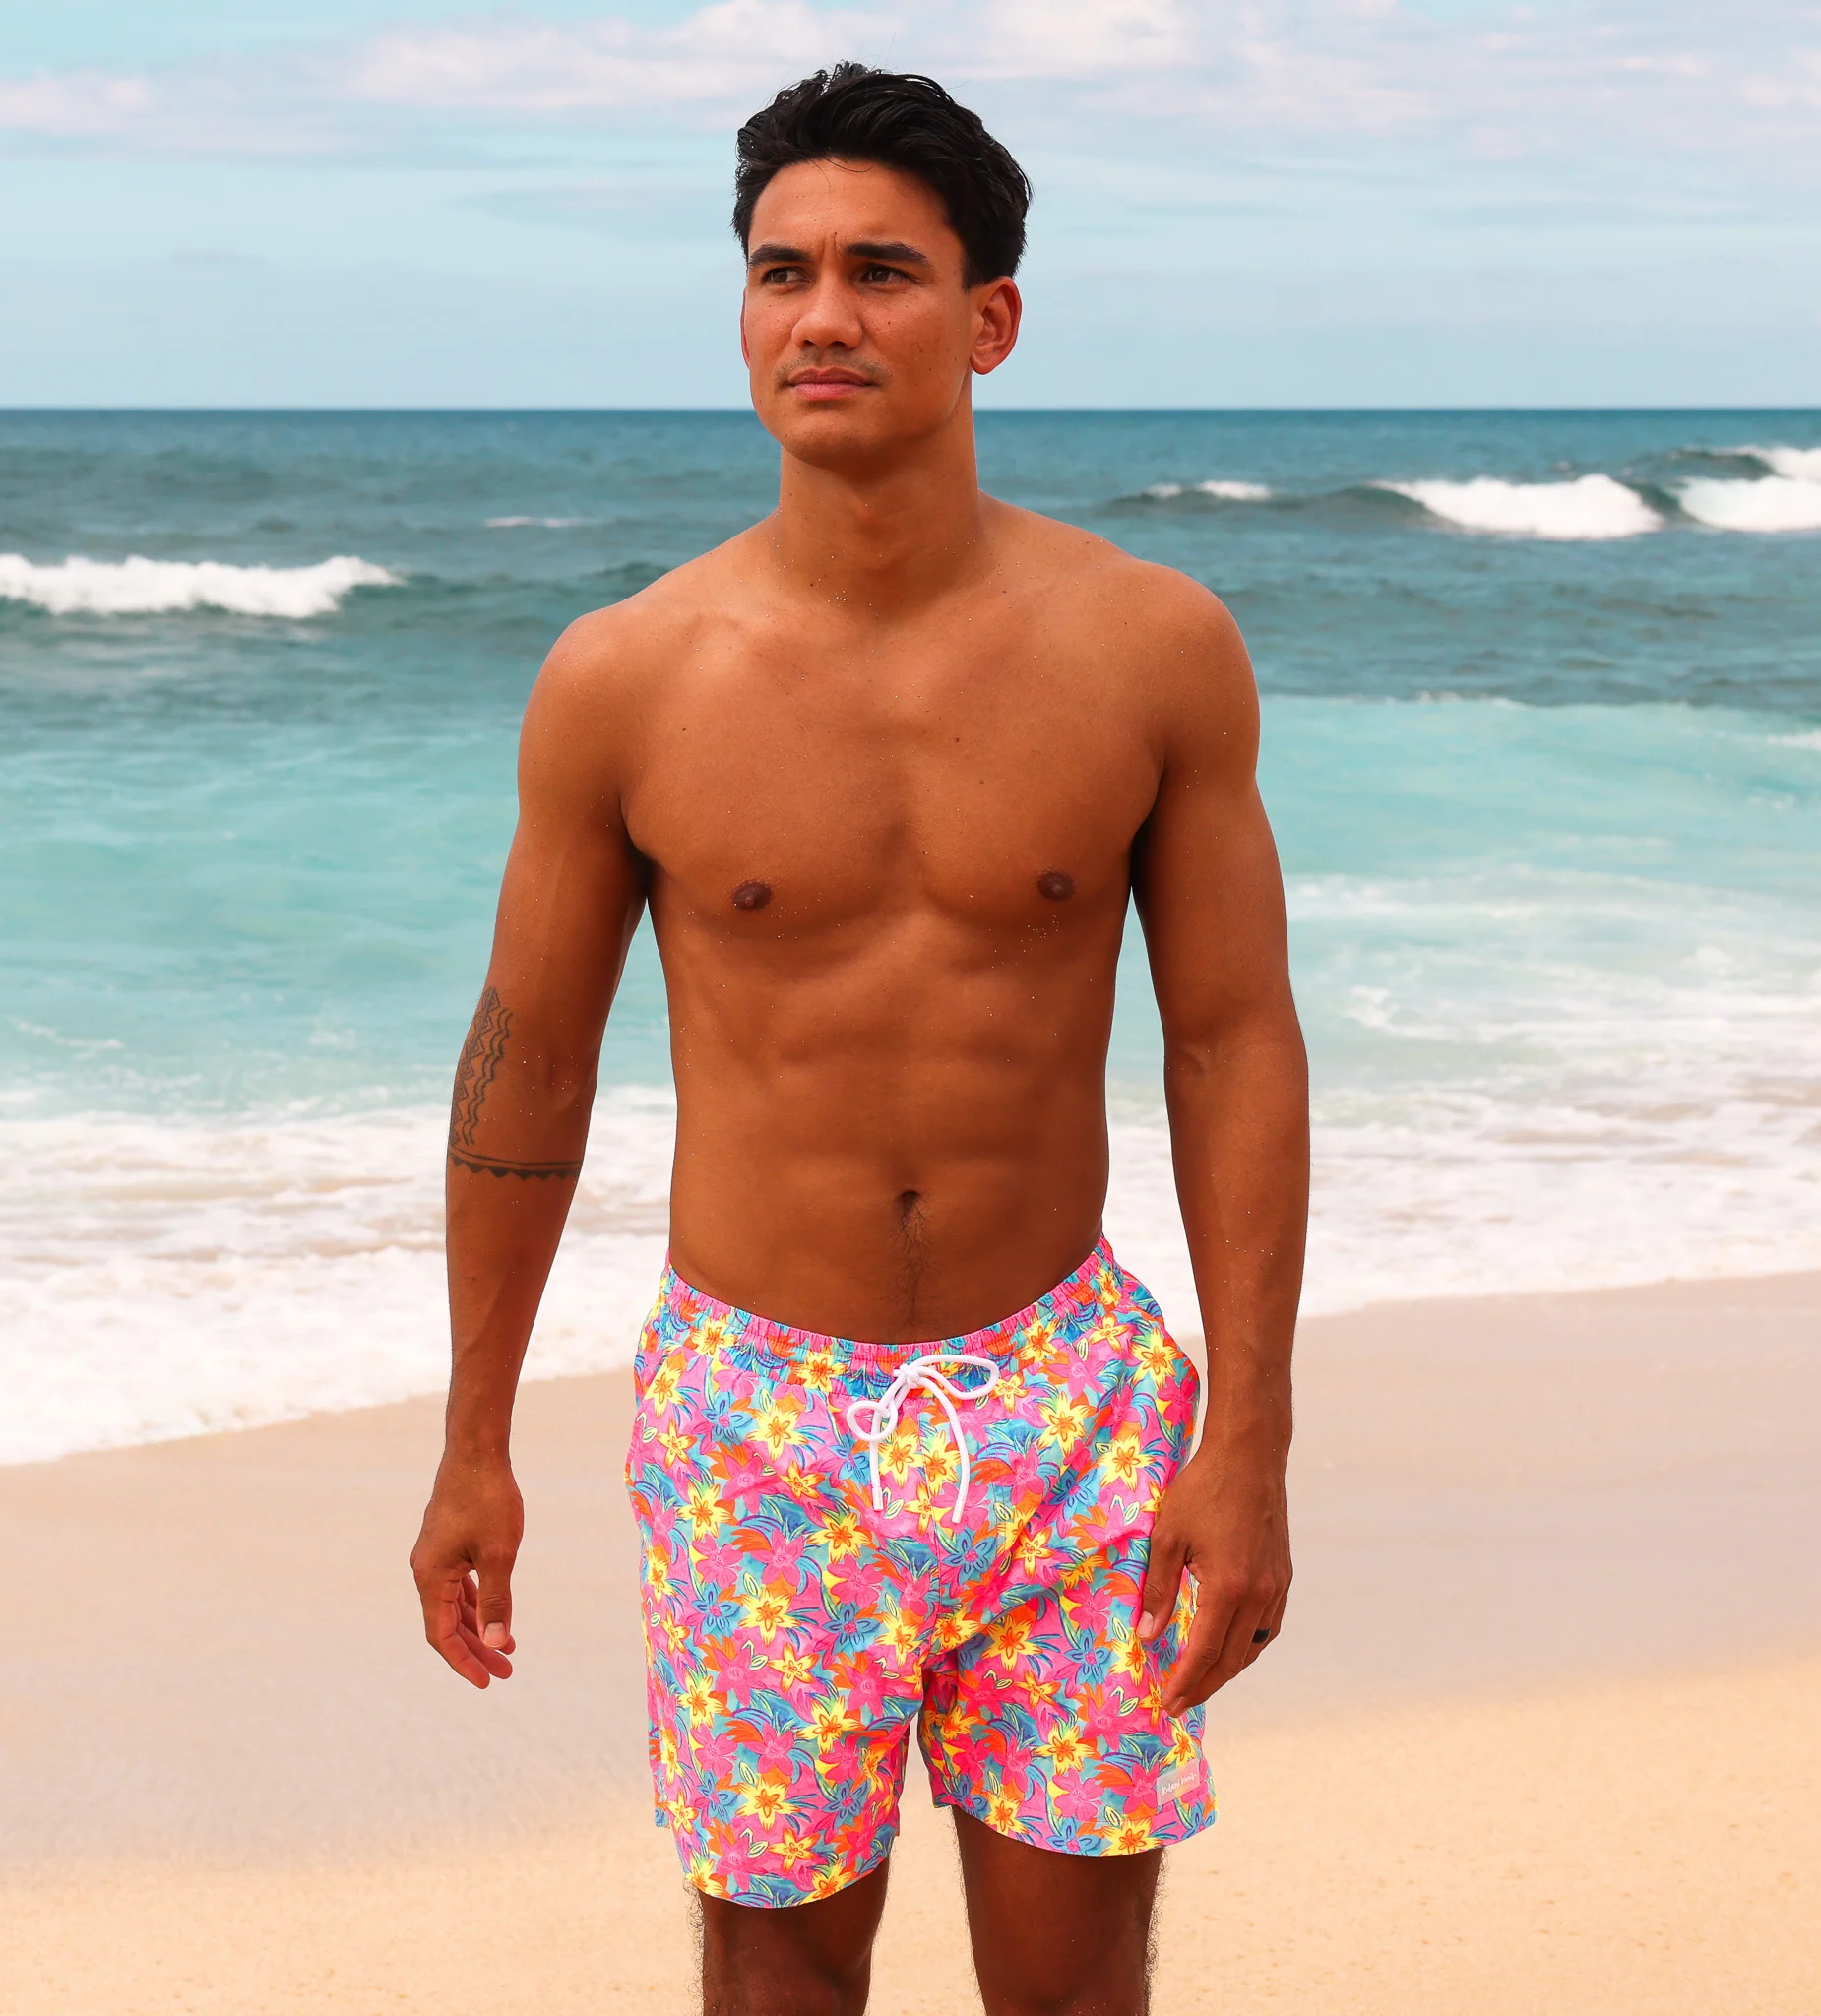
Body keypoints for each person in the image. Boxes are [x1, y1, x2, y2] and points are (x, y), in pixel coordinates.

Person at [411, 62, 1308, 2016]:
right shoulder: (624, 678)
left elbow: (1234, 1042)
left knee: (1075, 1984)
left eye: (882, 272)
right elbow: (528, 1073)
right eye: (781, 272)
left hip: (1067, 1402)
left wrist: (1249, 1435)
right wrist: (472, 1440)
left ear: (989, 319)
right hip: (757, 1421)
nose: (822, 315)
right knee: (779, 1974)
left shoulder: (1151, 648)